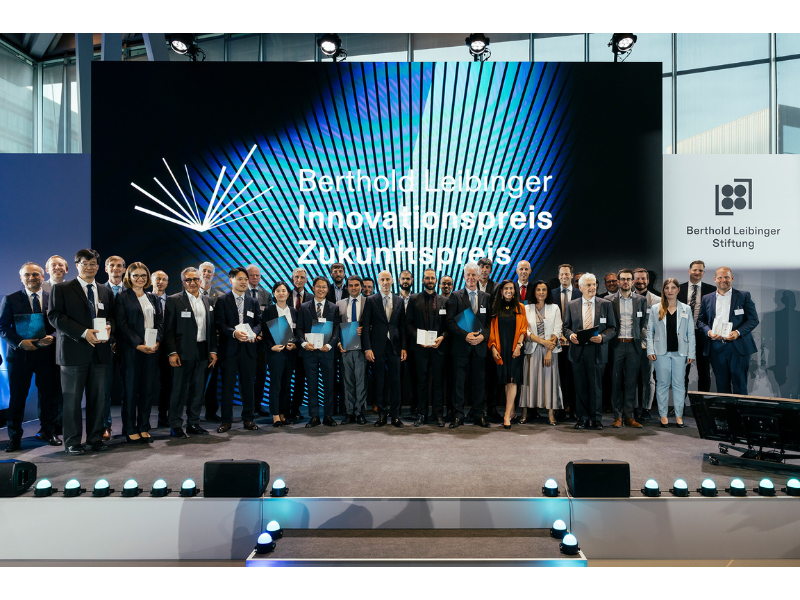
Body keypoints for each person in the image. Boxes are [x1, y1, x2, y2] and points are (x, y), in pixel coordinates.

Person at [48, 249, 114, 454]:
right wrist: (84, 332)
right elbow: (55, 316)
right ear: (76, 265)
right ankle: (72, 442)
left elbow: (111, 316)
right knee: (72, 401)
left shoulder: (105, 291)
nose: (89, 267)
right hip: (73, 352)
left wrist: (109, 327)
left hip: (100, 353)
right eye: (85, 263)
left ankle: (95, 439)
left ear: (98, 266)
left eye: (93, 263)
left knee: (97, 399)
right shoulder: (62, 288)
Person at [0, 263, 60, 451]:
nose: (32, 278)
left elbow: (60, 325)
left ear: (43, 277)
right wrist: (20, 342)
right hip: (20, 357)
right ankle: (14, 437)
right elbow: (2, 327)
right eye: (27, 275)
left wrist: (53, 337)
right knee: (17, 398)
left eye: (35, 274)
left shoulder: (53, 298)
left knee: (48, 397)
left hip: (46, 355)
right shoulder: (10, 299)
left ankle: (49, 432)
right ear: (21, 278)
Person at [164, 267, 217, 438]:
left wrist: (213, 350)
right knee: (179, 389)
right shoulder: (174, 300)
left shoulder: (207, 300)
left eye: (195, 279)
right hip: (182, 351)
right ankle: (175, 425)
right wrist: (172, 352)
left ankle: (193, 423)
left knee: (198, 389)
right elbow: (168, 330)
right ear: (183, 282)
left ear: (200, 281)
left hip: (202, 350)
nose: (192, 283)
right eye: (188, 280)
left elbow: (211, 328)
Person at [114, 262, 162, 444]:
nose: (140, 279)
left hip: (151, 350)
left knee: (147, 390)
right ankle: (129, 428)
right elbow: (122, 325)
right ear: (129, 277)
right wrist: (138, 344)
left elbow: (160, 322)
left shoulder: (153, 298)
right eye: (136, 276)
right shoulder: (122, 297)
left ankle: (143, 426)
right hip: (131, 351)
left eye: (143, 275)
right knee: (130, 391)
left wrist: (157, 341)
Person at [562, 273, 617, 430]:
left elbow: (612, 328)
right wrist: (570, 335)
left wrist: (602, 337)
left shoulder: (605, 304)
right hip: (578, 351)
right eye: (589, 285)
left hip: (597, 351)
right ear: (580, 287)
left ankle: (596, 419)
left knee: (596, 387)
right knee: (580, 387)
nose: (592, 287)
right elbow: (565, 327)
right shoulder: (571, 305)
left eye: (594, 284)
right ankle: (582, 418)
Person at [697, 267, 759, 395]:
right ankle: (725, 409)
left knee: (740, 385)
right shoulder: (707, 298)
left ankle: (740, 409)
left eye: (726, 277)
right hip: (716, 347)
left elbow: (753, 320)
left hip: (738, 347)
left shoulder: (743, 296)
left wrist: (737, 332)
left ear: (732, 278)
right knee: (721, 386)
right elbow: (700, 321)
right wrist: (709, 332)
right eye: (720, 277)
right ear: (715, 279)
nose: (723, 280)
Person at [214, 267, 262, 432]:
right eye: (240, 279)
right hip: (229, 349)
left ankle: (248, 419)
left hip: (249, 349)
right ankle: (226, 421)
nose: (243, 282)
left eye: (245, 279)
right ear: (231, 280)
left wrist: (254, 333)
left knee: (248, 386)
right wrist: (233, 333)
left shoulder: (253, 301)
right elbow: (219, 323)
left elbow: (259, 322)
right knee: (228, 386)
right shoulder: (222, 300)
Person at [446, 262, 492, 429]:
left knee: (479, 382)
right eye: (468, 275)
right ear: (464, 277)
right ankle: (458, 415)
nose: (471, 278)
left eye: (474, 275)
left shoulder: (486, 297)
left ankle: (478, 414)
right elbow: (450, 321)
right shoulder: (455, 296)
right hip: (461, 347)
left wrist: (482, 337)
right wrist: (465, 335)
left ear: (479, 276)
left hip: (479, 347)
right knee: (459, 383)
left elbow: (489, 324)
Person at [646, 279, 696, 427]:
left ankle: (679, 415)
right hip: (661, 352)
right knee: (662, 384)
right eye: (667, 288)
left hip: (680, 353)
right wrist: (650, 350)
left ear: (678, 290)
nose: (670, 290)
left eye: (673, 288)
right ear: (663, 290)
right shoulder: (656, 308)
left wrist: (691, 353)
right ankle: (663, 415)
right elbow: (649, 331)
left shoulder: (686, 309)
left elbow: (690, 333)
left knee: (679, 384)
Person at [362, 270, 407, 427]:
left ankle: (395, 416)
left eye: (388, 279)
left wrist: (404, 347)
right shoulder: (371, 300)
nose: (386, 282)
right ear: (379, 281)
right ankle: (381, 415)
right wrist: (367, 348)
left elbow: (402, 326)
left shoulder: (399, 300)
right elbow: (366, 326)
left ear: (392, 280)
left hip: (395, 346)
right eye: (383, 280)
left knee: (396, 382)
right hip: (377, 347)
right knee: (379, 381)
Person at [405, 268, 449, 427]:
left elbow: (448, 325)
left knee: (438, 383)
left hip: (438, 348)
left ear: (436, 280)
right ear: (422, 280)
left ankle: (438, 415)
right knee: (421, 383)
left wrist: (442, 337)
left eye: (432, 278)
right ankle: (421, 414)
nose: (430, 281)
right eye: (427, 278)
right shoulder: (413, 299)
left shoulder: (444, 301)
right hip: (420, 348)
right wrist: (419, 338)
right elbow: (408, 323)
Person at [297, 276, 341, 427]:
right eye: (318, 287)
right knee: (312, 384)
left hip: (327, 351)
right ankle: (314, 416)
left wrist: (330, 345)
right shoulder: (304, 307)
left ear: (327, 290)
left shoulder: (334, 308)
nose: (321, 289)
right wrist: (303, 343)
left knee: (329, 384)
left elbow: (336, 329)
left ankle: (328, 415)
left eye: (324, 287)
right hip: (309, 351)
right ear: (313, 288)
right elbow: (299, 328)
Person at [607, 269, 647, 428]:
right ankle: (617, 416)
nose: (625, 282)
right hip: (616, 345)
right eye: (622, 279)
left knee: (631, 382)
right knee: (616, 381)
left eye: (628, 279)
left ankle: (629, 416)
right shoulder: (608, 300)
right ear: (618, 281)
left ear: (632, 282)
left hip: (633, 345)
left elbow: (642, 322)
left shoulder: (641, 300)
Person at [521, 280, 563, 426]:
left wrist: (549, 350)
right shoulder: (526, 308)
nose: (541, 292)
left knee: (550, 382)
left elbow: (558, 329)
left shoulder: (554, 308)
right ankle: (524, 413)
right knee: (529, 382)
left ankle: (551, 414)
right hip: (532, 350)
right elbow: (524, 331)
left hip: (549, 351)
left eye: (544, 290)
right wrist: (542, 342)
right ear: (534, 292)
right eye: (538, 290)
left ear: (548, 292)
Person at [488, 280, 527, 429]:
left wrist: (519, 346)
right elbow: (491, 331)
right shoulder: (495, 308)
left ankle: (506, 415)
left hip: (515, 349)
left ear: (515, 291)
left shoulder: (520, 307)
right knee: (506, 381)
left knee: (512, 380)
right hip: (501, 349)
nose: (509, 291)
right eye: (506, 288)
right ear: (501, 291)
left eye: (511, 288)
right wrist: (493, 348)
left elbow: (523, 329)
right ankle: (511, 412)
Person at [262, 281, 298, 427]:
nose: (281, 293)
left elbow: (297, 332)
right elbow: (264, 332)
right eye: (278, 291)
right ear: (274, 294)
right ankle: (275, 415)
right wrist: (271, 347)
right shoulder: (269, 311)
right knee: (276, 384)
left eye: (284, 291)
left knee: (286, 385)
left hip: (290, 353)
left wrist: (295, 344)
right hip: (276, 353)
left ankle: (283, 414)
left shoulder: (294, 311)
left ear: (288, 294)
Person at [677, 260, 715, 395]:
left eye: (700, 270)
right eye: (695, 270)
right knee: (682, 372)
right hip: (683, 335)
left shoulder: (712, 290)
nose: (697, 272)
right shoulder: (678, 289)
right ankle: (680, 403)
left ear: (703, 272)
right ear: (689, 271)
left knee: (704, 372)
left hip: (703, 334)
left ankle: (702, 404)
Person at [336, 275, 367, 424]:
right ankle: (349, 412)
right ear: (347, 287)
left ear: (361, 286)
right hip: (346, 347)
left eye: (356, 285)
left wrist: (366, 329)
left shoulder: (369, 302)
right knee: (347, 381)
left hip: (362, 347)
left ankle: (360, 412)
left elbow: (374, 324)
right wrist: (338, 343)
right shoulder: (339, 304)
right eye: (350, 285)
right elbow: (336, 326)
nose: (353, 288)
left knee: (361, 381)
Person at [101, 254, 126, 440]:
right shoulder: (99, 291)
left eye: (119, 265)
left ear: (124, 269)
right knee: (104, 390)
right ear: (106, 269)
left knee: (130, 389)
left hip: (128, 347)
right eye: (112, 265)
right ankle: (105, 426)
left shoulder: (132, 291)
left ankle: (129, 425)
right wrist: (111, 340)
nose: (115, 268)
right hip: (105, 347)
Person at [552, 264, 581, 421]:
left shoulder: (580, 293)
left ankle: (574, 409)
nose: (564, 277)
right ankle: (561, 409)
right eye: (561, 274)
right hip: (556, 342)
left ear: (572, 275)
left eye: (567, 274)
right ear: (558, 276)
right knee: (560, 377)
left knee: (575, 377)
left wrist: (572, 336)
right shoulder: (551, 294)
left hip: (574, 341)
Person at [633, 267, 661, 420]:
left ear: (648, 281)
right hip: (630, 344)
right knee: (631, 378)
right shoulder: (627, 299)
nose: (640, 281)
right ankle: (633, 407)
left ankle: (646, 408)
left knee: (648, 379)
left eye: (643, 278)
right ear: (633, 281)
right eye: (637, 278)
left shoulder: (657, 300)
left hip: (649, 345)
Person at [246, 264, 273, 418]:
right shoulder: (241, 292)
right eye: (252, 275)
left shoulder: (266, 294)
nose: (255, 278)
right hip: (244, 340)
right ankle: (248, 407)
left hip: (261, 341)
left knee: (262, 374)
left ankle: (257, 405)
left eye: (257, 275)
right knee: (247, 375)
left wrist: (260, 334)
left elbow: (267, 317)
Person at [199, 261, 224, 423]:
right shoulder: (191, 293)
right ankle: (192, 413)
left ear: (213, 275)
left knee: (213, 379)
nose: (206, 274)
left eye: (209, 271)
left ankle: (211, 411)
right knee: (195, 379)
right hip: (197, 343)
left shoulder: (220, 296)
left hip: (216, 343)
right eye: (204, 271)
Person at [289, 267, 312, 421]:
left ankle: (296, 408)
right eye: (296, 277)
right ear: (292, 278)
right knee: (285, 378)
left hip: (305, 345)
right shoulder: (283, 294)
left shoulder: (312, 297)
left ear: (306, 279)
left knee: (300, 379)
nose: (299, 280)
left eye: (302, 277)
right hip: (287, 344)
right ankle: (283, 408)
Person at [152, 270, 171, 427]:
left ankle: (163, 415)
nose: (160, 282)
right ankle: (142, 419)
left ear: (167, 283)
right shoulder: (144, 298)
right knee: (146, 382)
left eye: (163, 279)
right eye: (157, 279)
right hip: (149, 343)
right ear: (152, 281)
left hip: (167, 346)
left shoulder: (173, 301)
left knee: (167, 382)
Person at [397, 269, 418, 416]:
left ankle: (415, 406)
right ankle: (396, 407)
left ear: (412, 281)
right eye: (403, 279)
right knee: (396, 377)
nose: (405, 281)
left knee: (414, 377)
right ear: (399, 281)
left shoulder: (417, 299)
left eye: (408, 279)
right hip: (396, 343)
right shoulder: (393, 298)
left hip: (414, 343)